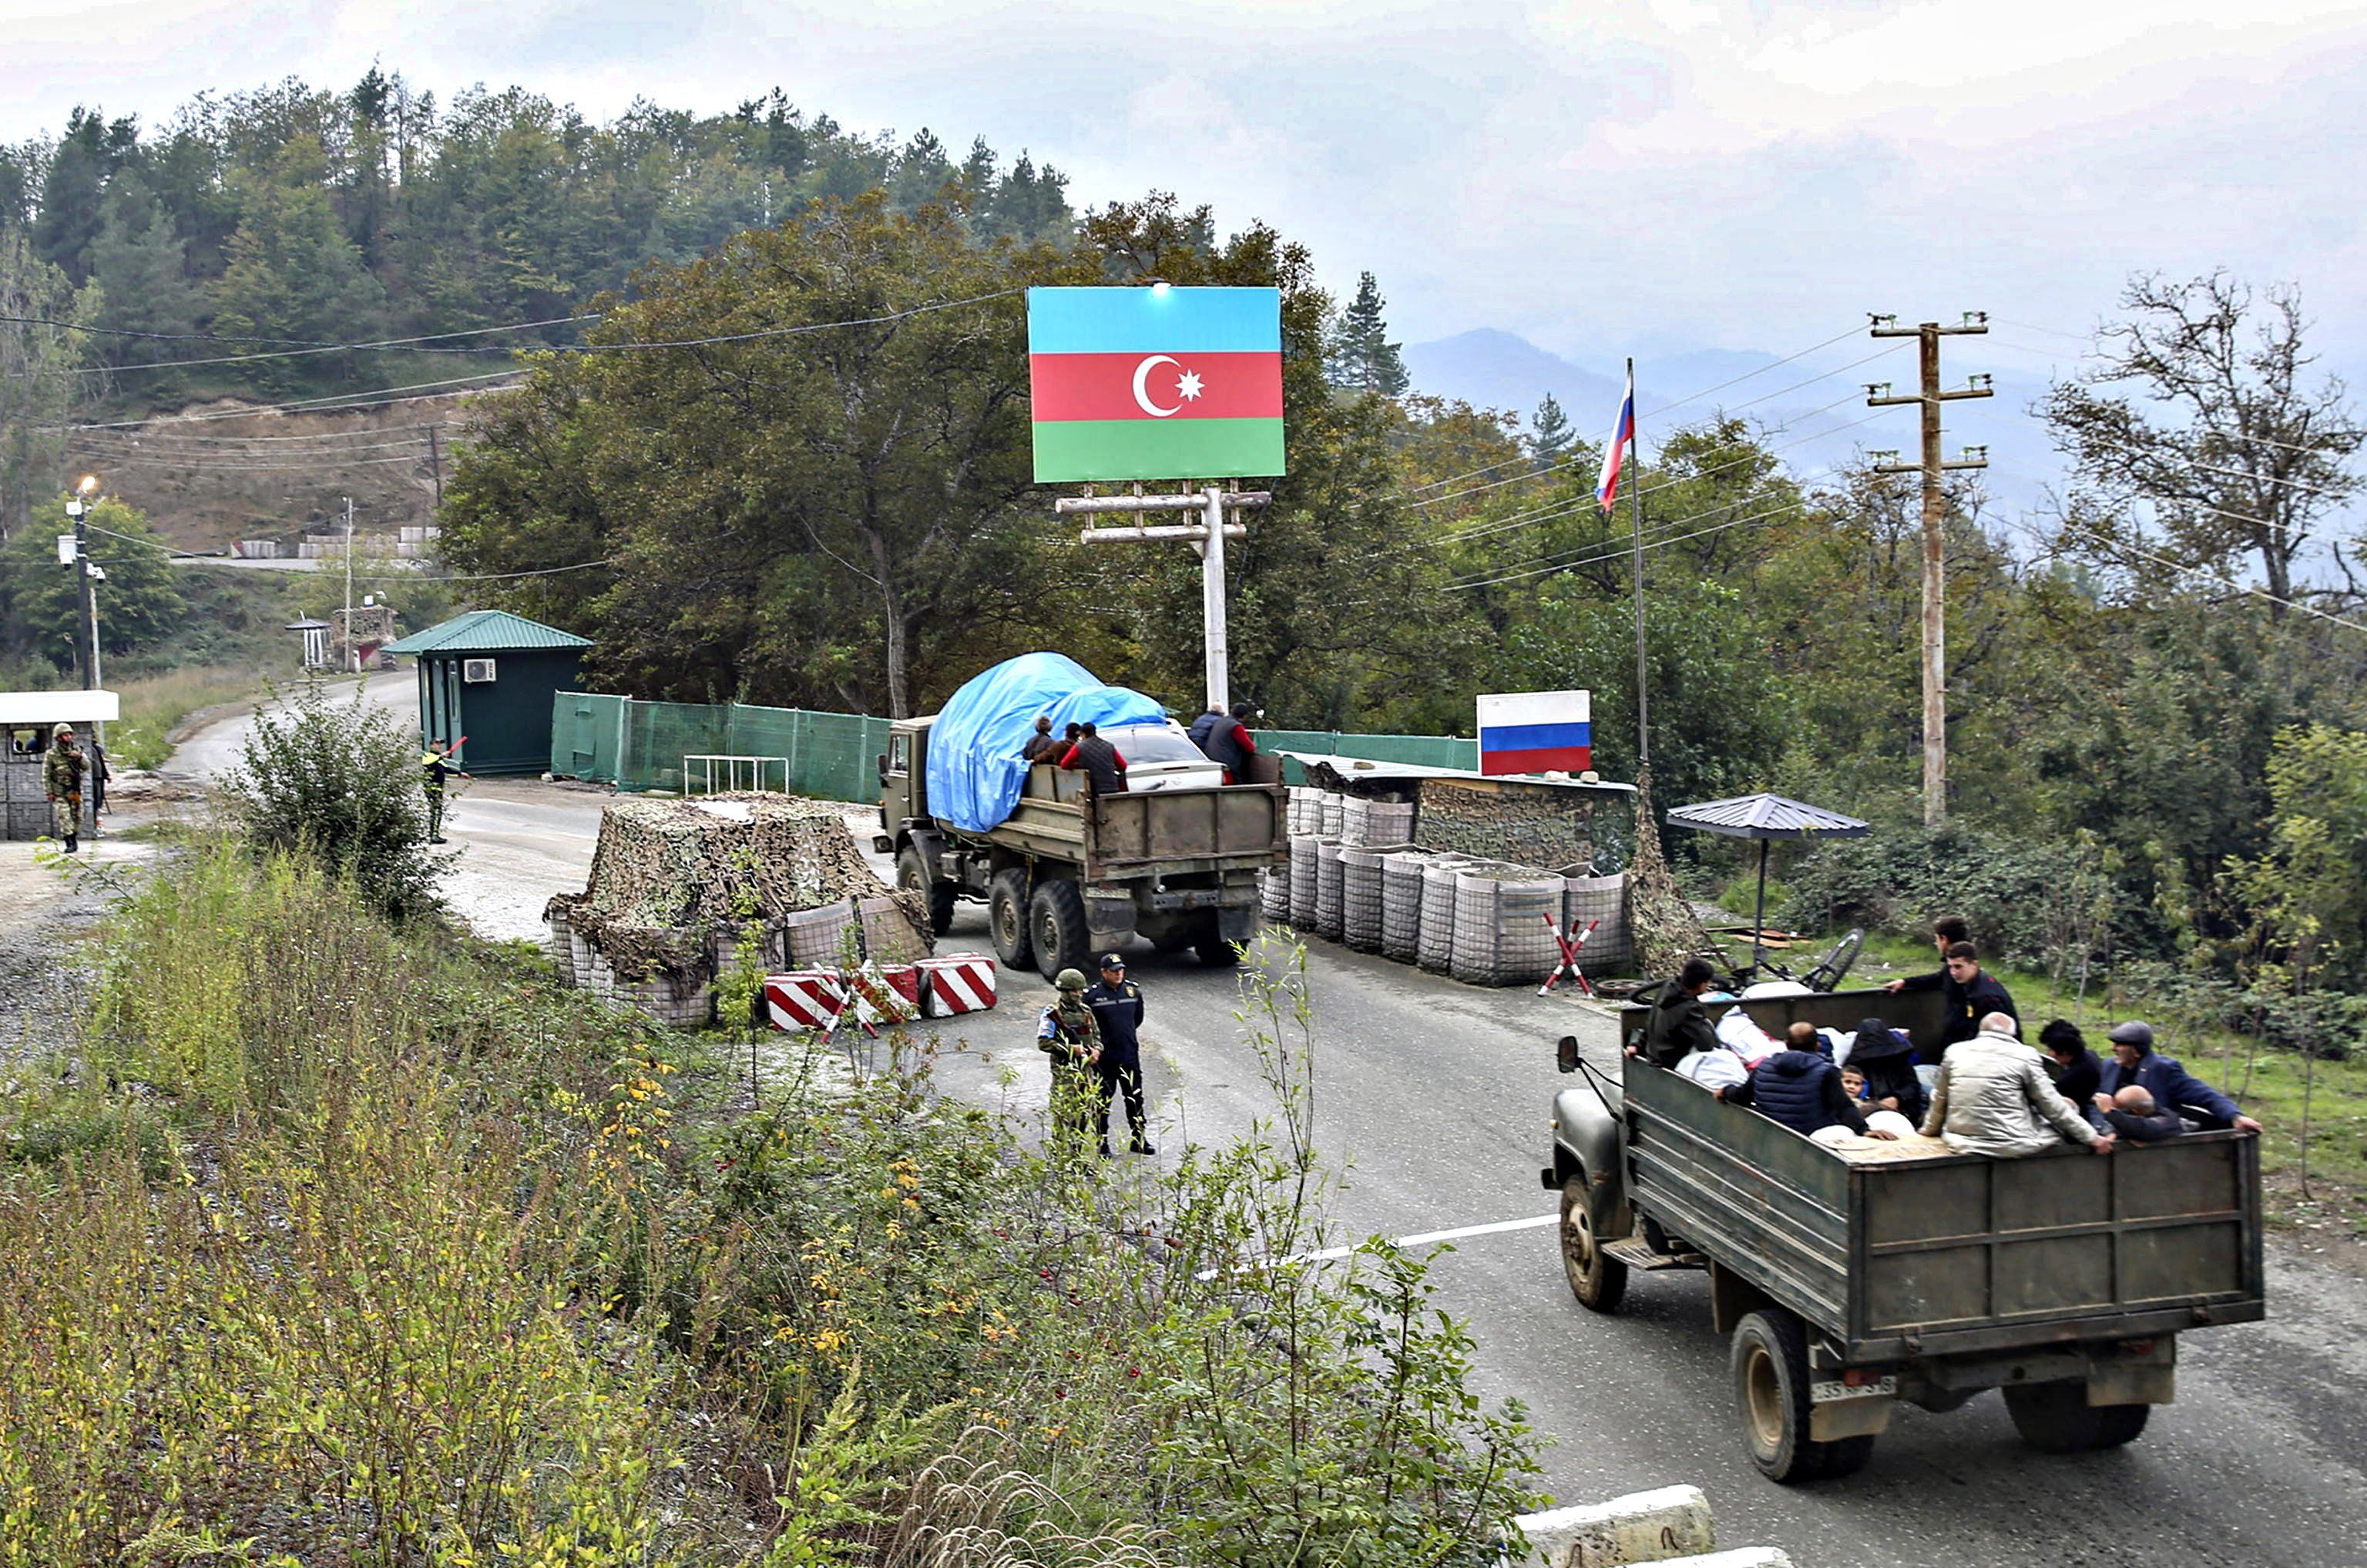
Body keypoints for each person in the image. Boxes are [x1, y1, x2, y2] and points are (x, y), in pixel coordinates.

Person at [1920, 1012, 2113, 1158]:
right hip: (2013, 1144)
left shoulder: (1955, 1052)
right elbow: (2053, 1107)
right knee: (2069, 1107)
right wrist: (2092, 1138)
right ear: (2012, 1034)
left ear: (1981, 1030)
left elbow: (1940, 1098)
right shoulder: (2026, 1055)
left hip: (1961, 1141)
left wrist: (1928, 1130)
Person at [2095, 1021, 2261, 1134]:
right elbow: (2096, 1101)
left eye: (2120, 1044)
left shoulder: (2164, 1069)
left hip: (2153, 1137)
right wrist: (2102, 1129)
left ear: (2137, 1051)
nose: (2114, 1049)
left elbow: (2205, 1095)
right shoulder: (2109, 1066)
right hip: (2113, 1133)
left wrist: (2236, 1116)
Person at [1718, 1044, 1895, 1140]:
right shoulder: (1826, 1072)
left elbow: (1743, 1096)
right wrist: (1864, 1130)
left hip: (1770, 1137)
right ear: (1817, 1046)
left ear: (1787, 1044)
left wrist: (1725, 1092)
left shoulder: (1764, 1067)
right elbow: (1842, 1106)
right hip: (1811, 1139)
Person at [1887, 940, 2016, 1055]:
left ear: (1974, 965)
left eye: (1958, 967)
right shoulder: (1970, 982)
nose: (1953, 972)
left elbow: (2000, 1034)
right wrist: (1906, 982)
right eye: (1951, 967)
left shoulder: (1987, 997)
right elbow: (1937, 979)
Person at [1083, 952, 1153, 1157]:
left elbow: (1137, 1019)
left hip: (1129, 1055)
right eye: (1114, 971)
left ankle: (1139, 1139)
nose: (1119, 974)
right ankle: (1102, 1144)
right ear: (1104, 973)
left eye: (1121, 970)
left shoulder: (1132, 992)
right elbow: (1087, 1027)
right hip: (1105, 1059)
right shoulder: (1092, 996)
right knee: (1103, 1102)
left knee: (1135, 1099)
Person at [1036, 969, 1103, 1149]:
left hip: (1086, 1074)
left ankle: (1078, 1159)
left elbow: (1096, 1036)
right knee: (1062, 1118)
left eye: (1080, 990)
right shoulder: (1052, 1014)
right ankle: (1061, 1160)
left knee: (1083, 1117)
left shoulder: (1086, 1011)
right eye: (1074, 991)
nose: (1078, 994)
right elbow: (1043, 1043)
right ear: (1064, 991)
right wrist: (1070, 1050)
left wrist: (1096, 1051)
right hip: (1065, 1075)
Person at [1633, 957, 1721, 1068]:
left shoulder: (1668, 988)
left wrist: (1637, 1045)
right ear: (1701, 984)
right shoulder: (1690, 1009)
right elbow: (1706, 1045)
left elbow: (1651, 1021)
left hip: (1653, 1054)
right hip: (1671, 1062)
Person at [1846, 1015, 1929, 1126]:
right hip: (1869, 1114)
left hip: (1903, 1111)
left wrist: (1897, 1098)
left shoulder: (1899, 1061)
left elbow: (1912, 1086)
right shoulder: (1857, 1065)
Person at [1187, 700, 1261, 783]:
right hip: (1227, 763)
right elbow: (1250, 748)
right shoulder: (1236, 726)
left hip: (1211, 757)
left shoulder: (1220, 721)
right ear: (1245, 716)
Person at [2039, 1019, 2104, 1107]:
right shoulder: (2089, 1055)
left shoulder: (2072, 1077)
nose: (2049, 1053)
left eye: (2050, 1049)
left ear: (2065, 1052)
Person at [42, 724, 86, 853]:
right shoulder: (52, 754)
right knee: (64, 816)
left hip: (75, 790)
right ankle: (69, 843)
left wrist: (79, 758)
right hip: (60, 791)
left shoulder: (77, 750)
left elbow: (87, 767)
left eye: (70, 735)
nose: (69, 737)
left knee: (78, 816)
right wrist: (49, 791)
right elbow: (46, 774)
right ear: (59, 738)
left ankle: (74, 838)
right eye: (65, 735)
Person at [1056, 722, 1128, 796]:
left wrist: (1079, 765)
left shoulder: (1079, 747)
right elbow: (1123, 766)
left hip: (1093, 789)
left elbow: (1064, 765)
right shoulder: (1109, 746)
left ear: (1083, 734)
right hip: (1112, 788)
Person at [2097, 1084, 2186, 1143]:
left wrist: (2110, 1112)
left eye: (2120, 1109)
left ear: (2135, 1111)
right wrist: (2119, 1133)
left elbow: (2145, 1128)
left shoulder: (2167, 1120)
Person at [419, 739, 468, 844]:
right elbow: (427, 761)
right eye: (437, 744)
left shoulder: (438, 758)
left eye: (440, 744)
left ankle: (433, 834)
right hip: (431, 787)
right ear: (431, 745)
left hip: (438, 788)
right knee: (436, 811)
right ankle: (433, 836)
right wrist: (442, 756)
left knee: (437, 811)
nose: (439, 746)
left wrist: (460, 773)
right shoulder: (427, 755)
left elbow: (447, 769)